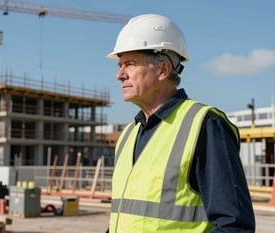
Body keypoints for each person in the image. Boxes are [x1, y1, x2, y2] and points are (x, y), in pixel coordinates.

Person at [105, 14, 255, 233]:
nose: (119, 75)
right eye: (120, 65)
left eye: (130, 64)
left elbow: (234, 225)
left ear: (163, 70)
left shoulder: (205, 125)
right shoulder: (129, 134)